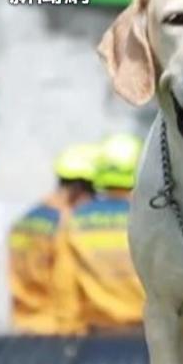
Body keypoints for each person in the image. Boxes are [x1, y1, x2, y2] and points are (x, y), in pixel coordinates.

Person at [55, 133, 145, 334]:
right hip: (152, 335)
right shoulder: (157, 218)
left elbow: (65, 285)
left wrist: (68, 335)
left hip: (98, 338)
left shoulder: (74, 220)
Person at [7, 143, 98, 334]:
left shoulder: (24, 222)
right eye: (93, 195)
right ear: (78, 190)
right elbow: (64, 284)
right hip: (57, 332)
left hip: (24, 327)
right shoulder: (65, 226)